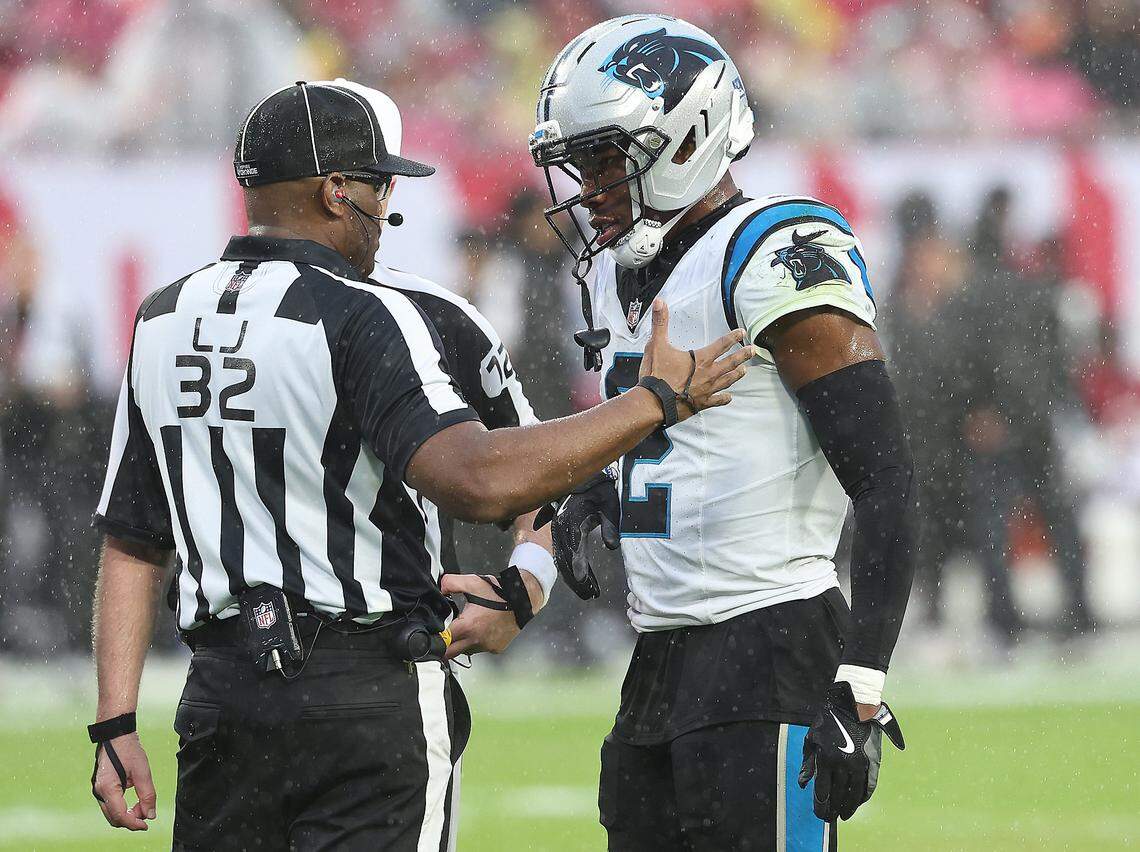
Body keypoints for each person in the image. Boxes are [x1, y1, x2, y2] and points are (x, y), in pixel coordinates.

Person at [86, 80, 750, 849]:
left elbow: (133, 540)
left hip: (220, 697)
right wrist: (652, 402)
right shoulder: (369, 312)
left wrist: (115, 718)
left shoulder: (164, 316)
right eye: (377, 185)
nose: (387, 209)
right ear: (337, 191)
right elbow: (480, 478)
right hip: (365, 686)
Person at [529, 15, 916, 850]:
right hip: (661, 658)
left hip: (769, 642)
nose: (587, 187)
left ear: (686, 136)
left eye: (604, 159)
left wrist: (862, 681)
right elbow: (678, 432)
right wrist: (599, 491)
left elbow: (885, 477)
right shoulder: (635, 268)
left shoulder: (773, 245)